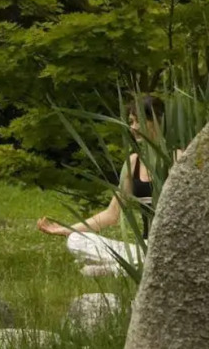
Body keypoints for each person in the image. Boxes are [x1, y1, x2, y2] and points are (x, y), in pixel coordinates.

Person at [36, 95, 164, 277]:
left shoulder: (178, 159)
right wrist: (65, 229)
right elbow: (111, 215)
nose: (133, 127)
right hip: (144, 247)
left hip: (170, 249)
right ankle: (132, 267)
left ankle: (117, 270)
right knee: (76, 240)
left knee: (158, 259)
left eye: (139, 121)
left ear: (157, 121)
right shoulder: (133, 163)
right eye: (131, 122)